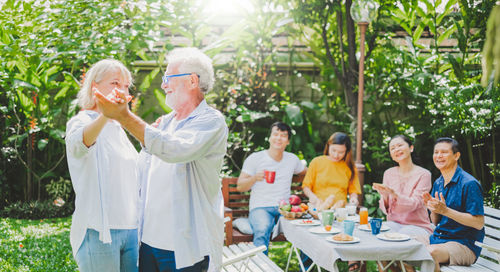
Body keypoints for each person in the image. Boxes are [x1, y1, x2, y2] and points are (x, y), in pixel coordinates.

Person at [94, 47, 228, 272]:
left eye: (167, 78)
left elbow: (175, 150)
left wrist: (124, 116)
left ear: (192, 81)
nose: (163, 85)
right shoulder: (166, 122)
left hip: (185, 249)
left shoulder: (211, 121)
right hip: (148, 242)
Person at [65, 59, 140, 271]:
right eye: (115, 83)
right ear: (94, 87)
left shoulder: (119, 128)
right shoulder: (81, 121)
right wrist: (105, 116)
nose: (122, 91)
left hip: (131, 231)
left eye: (125, 86)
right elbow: (79, 143)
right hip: (98, 232)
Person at [237, 122, 307, 255]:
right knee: (263, 229)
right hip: (261, 207)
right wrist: (254, 179)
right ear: (269, 137)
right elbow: (240, 186)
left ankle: (304, 269)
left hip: (284, 208)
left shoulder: (292, 159)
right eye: (275, 134)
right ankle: (260, 268)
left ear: (288, 141)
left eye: (283, 136)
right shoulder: (255, 158)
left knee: (304, 230)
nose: (279, 138)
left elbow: (309, 172)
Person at [420, 137, 485, 272]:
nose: (439, 156)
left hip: (464, 245)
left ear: (456, 156)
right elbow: (435, 221)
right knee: (402, 247)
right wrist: (434, 209)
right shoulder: (439, 182)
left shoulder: (469, 184)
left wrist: (445, 211)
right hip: (439, 239)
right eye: (436, 152)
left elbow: (479, 223)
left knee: (428, 254)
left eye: (444, 152)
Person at [373, 135, 433, 236]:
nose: (397, 149)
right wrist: (385, 196)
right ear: (391, 155)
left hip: (418, 226)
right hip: (393, 223)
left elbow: (415, 203)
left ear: (411, 148)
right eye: (392, 148)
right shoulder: (388, 173)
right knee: (379, 233)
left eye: (400, 145)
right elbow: (386, 209)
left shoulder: (424, 174)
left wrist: (395, 195)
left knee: (402, 235)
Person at [302, 132, 361, 210]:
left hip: (340, 210)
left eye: (341, 152)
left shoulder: (350, 167)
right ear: (328, 146)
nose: (336, 155)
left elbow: (353, 191)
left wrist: (354, 199)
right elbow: (306, 187)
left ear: (347, 151)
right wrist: (312, 197)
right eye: (333, 150)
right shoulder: (317, 162)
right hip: (318, 207)